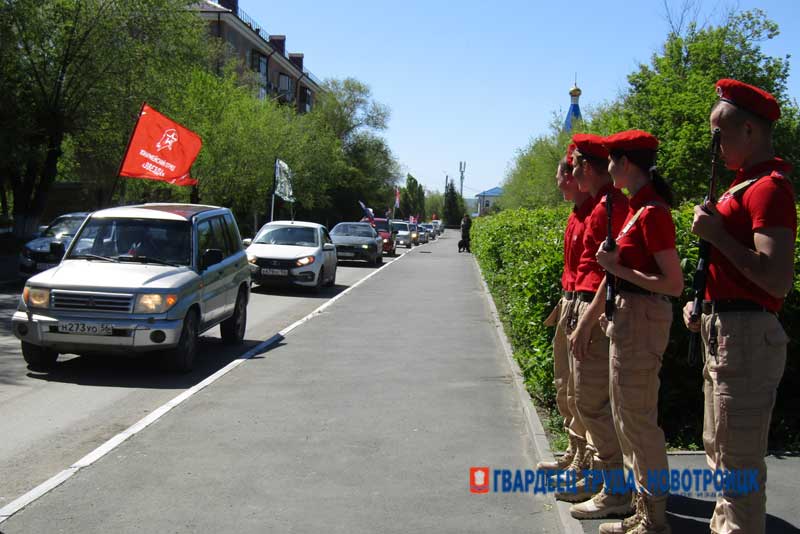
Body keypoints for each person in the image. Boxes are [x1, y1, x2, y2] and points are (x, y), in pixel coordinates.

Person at [682, 79, 795, 534]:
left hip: (745, 339)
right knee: (720, 451)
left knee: (738, 467)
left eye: (720, 134)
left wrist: (716, 235)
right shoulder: (741, 186)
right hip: (725, 331)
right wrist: (703, 303)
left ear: (749, 131)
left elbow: (776, 278)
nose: (714, 145)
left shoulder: (769, 188)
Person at [584, 130, 683, 534]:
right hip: (630, 318)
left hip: (642, 319)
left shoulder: (653, 212)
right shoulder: (639, 209)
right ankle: (645, 510)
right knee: (629, 419)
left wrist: (617, 269)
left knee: (639, 423)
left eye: (611, 160)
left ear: (625, 164)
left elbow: (673, 284)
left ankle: (654, 517)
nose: (608, 169)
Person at [557, 133, 629, 518]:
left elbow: (608, 273)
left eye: (575, 167)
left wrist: (585, 321)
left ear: (587, 168)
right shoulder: (596, 207)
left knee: (593, 402)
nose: (569, 175)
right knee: (582, 398)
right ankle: (600, 478)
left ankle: (613, 487)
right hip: (581, 303)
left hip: (592, 309)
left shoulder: (610, 207)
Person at [536, 147, 593, 477]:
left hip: (582, 306)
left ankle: (586, 462)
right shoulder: (576, 213)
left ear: (571, 177)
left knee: (584, 394)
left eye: (559, 177)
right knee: (566, 386)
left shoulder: (595, 212)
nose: (558, 184)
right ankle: (574, 452)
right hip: (569, 302)